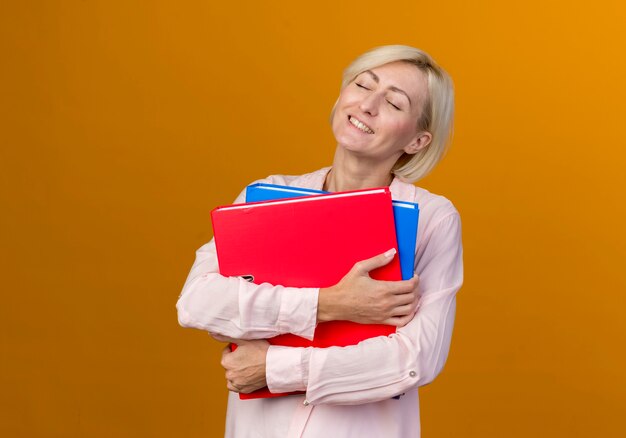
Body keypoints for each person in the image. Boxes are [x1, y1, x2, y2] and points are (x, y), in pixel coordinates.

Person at [176, 45, 463, 438]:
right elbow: (197, 303)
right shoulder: (265, 197)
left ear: (416, 141)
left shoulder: (432, 219)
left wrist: (274, 367)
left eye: (394, 103)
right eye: (363, 84)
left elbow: (416, 359)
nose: (368, 105)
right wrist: (329, 304)